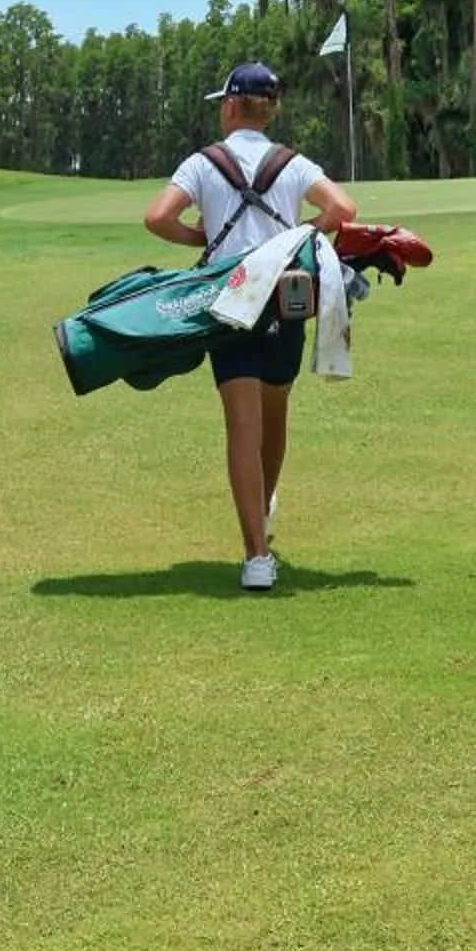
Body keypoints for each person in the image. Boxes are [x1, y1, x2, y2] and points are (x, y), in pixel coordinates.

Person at [141, 61, 358, 592]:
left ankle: (256, 556)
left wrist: (205, 240)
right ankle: (261, 507)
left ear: (232, 106)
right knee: (275, 410)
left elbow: (157, 217)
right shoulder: (293, 162)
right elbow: (342, 208)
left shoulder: (202, 163)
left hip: (231, 296)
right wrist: (299, 236)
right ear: (271, 110)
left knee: (242, 423)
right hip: (285, 299)